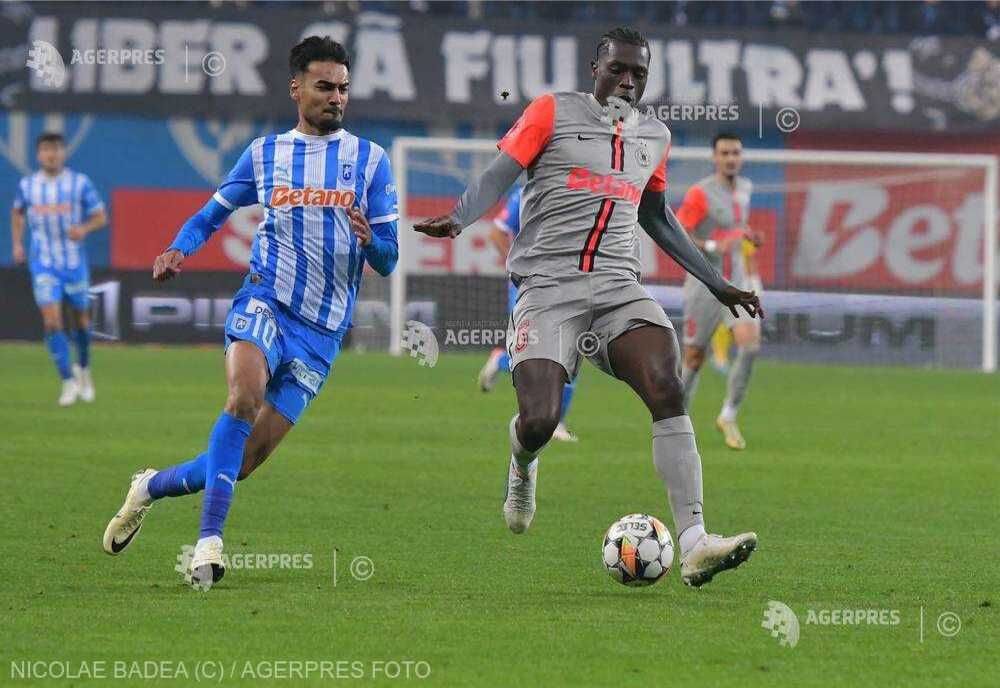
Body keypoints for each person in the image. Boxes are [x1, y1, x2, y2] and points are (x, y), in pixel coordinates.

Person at [415, 27, 763, 587]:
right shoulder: (551, 112)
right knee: (540, 420)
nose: (627, 81)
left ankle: (696, 541)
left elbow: (656, 215)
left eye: (639, 74)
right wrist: (460, 216)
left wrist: (717, 281)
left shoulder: (654, 135)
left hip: (619, 287)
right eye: (617, 69)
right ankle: (523, 462)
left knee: (666, 382)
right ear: (593, 68)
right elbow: (500, 174)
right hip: (548, 287)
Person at [102, 37, 399, 590]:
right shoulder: (265, 154)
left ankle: (150, 486)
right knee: (242, 396)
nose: (337, 96)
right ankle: (208, 544)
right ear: (296, 88)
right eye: (325, 86)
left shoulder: (371, 161)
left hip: (322, 331)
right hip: (265, 299)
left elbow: (389, 256)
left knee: (236, 464)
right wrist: (177, 248)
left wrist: (369, 241)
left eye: (343, 88)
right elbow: (212, 214)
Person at [676, 132, 763, 450]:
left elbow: (736, 229)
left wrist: (748, 236)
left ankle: (728, 415)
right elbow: (679, 235)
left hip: (737, 284)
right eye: (724, 153)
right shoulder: (700, 194)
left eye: (736, 153)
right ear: (715, 157)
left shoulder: (745, 189)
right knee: (695, 358)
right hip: (704, 284)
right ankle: (677, 424)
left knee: (750, 344)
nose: (731, 159)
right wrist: (713, 244)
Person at [10, 133, 106, 406]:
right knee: (52, 321)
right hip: (43, 263)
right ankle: (67, 380)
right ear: (38, 154)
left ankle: (83, 368)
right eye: (45, 150)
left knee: (82, 324)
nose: (51, 154)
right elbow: (17, 212)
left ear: (63, 153)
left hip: (74, 264)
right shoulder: (28, 185)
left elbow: (100, 216)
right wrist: (17, 244)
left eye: (55, 149)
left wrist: (84, 228)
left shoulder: (79, 183)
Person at [478, 187, 578, 442]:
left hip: (569, 283)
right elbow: (497, 232)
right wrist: (519, 269)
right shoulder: (524, 193)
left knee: (572, 352)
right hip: (528, 286)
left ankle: (557, 422)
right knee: (530, 355)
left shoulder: (580, 191)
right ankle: (503, 360)